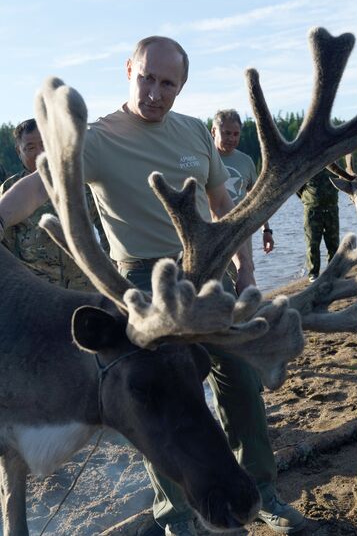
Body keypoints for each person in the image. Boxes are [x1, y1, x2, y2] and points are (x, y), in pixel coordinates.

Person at [0, 37, 305, 535]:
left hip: (206, 277)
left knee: (242, 382)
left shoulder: (193, 133)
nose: (155, 92)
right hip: (139, 287)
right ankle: (176, 517)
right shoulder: (97, 138)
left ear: (181, 87)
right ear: (128, 70)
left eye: (168, 83)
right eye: (147, 78)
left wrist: (246, 271)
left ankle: (262, 492)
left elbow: (224, 206)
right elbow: (38, 187)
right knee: (154, 398)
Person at [0, 118, 106, 290]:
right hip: (38, 288)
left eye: (44, 145)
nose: (40, 153)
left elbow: (105, 229)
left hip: (84, 286)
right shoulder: (11, 190)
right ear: (19, 151)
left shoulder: (81, 183)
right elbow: (5, 243)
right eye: (30, 148)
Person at [211, 109, 274, 288]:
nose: (232, 138)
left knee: (245, 275)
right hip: (210, 232)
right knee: (214, 282)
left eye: (236, 134)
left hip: (241, 232)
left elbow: (257, 200)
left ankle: (248, 312)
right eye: (227, 133)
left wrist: (266, 231)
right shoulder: (203, 159)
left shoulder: (245, 161)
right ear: (214, 131)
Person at [297, 168, 339, 282]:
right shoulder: (308, 165)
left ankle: (333, 272)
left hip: (332, 209)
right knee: (312, 244)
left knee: (334, 244)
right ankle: (313, 274)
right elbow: (298, 187)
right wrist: (311, 199)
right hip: (312, 211)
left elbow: (340, 182)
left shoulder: (334, 163)